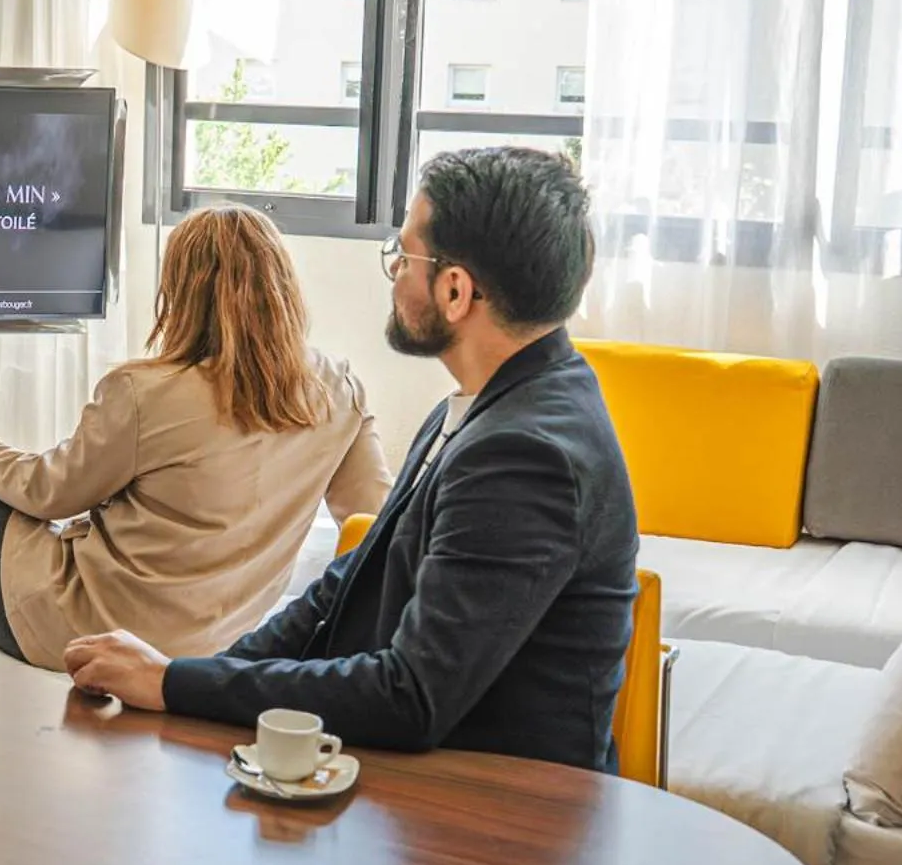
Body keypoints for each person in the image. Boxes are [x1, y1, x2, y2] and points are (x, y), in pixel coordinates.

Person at [62, 147, 639, 774]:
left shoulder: (524, 457)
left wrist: (175, 686)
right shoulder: (489, 403)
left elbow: (408, 696)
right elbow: (351, 583)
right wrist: (191, 677)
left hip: (501, 811)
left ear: (454, 290)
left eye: (403, 254)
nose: (393, 272)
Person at [0, 203, 393, 669]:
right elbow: (370, 519)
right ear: (281, 287)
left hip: (99, 628)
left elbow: (49, 493)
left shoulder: (146, 392)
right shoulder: (338, 389)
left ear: (182, 291)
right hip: (224, 636)